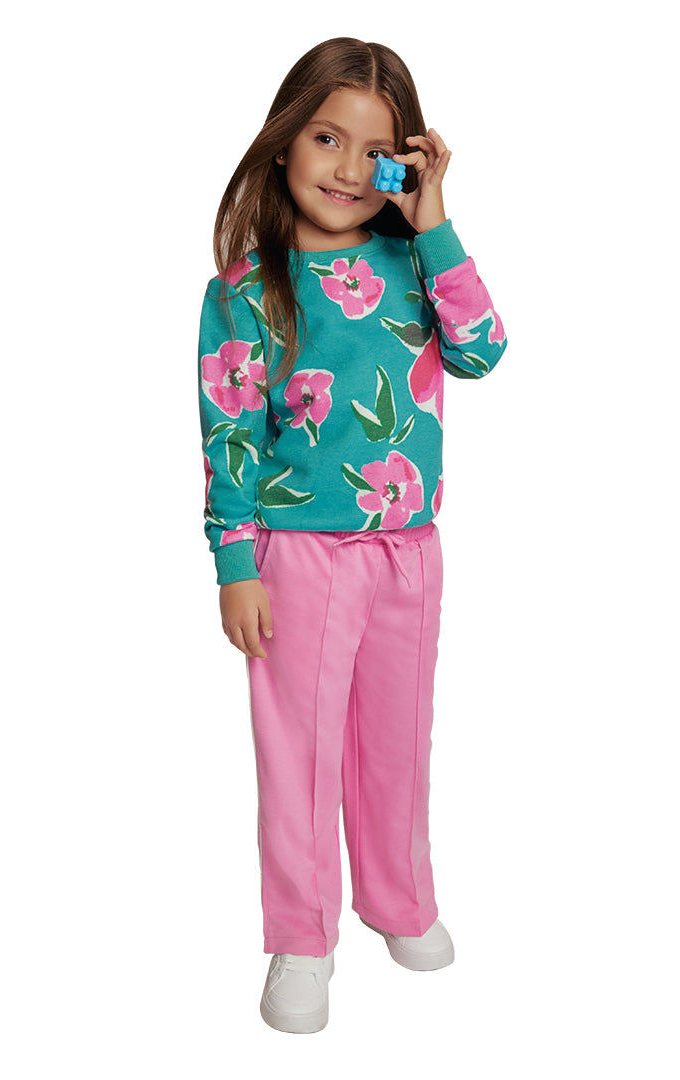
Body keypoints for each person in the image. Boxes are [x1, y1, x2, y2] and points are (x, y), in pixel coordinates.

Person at [197, 37, 507, 1033]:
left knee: (397, 737)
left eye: (373, 151)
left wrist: (436, 220)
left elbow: (484, 351)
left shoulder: (414, 258)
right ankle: (301, 936)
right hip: (298, 553)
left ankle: (398, 900)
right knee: (300, 752)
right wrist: (235, 564)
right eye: (327, 138)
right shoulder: (247, 287)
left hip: (410, 546)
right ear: (286, 140)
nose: (345, 169)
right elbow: (229, 432)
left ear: (402, 163)